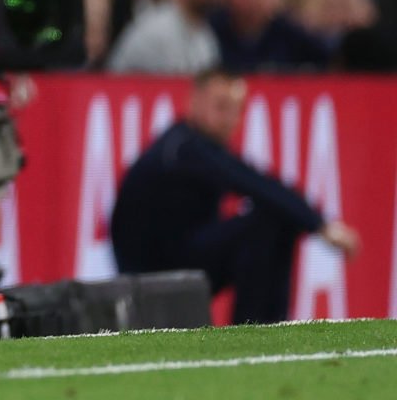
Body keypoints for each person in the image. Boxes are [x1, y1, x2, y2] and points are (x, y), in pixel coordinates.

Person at [111, 70, 359, 323]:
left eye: (237, 110)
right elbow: (250, 181)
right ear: (193, 101)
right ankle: (253, 331)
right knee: (264, 223)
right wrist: (320, 224)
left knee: (276, 221)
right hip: (153, 276)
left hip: (177, 262)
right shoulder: (183, 149)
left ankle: (272, 328)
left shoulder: (190, 146)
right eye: (221, 107)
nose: (230, 119)